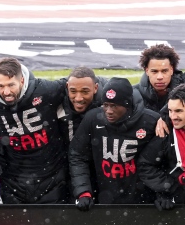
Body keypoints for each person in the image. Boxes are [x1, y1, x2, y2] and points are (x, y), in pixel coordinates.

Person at [69, 77, 164, 208]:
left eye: (114, 106)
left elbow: (164, 159)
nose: (108, 111)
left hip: (143, 201)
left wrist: (163, 192)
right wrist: (83, 191)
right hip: (105, 198)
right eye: (105, 105)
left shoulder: (151, 121)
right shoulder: (93, 118)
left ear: (127, 105)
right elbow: (77, 155)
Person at [0, 57, 68, 204]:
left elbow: (76, 82)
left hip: (51, 172)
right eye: (1, 86)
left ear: (22, 80)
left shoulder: (45, 90)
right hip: (15, 176)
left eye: (11, 85)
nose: (6, 92)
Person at [134, 44, 185, 114]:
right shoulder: (133, 94)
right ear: (147, 71)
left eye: (164, 71)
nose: (159, 77)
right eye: (154, 71)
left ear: (172, 70)